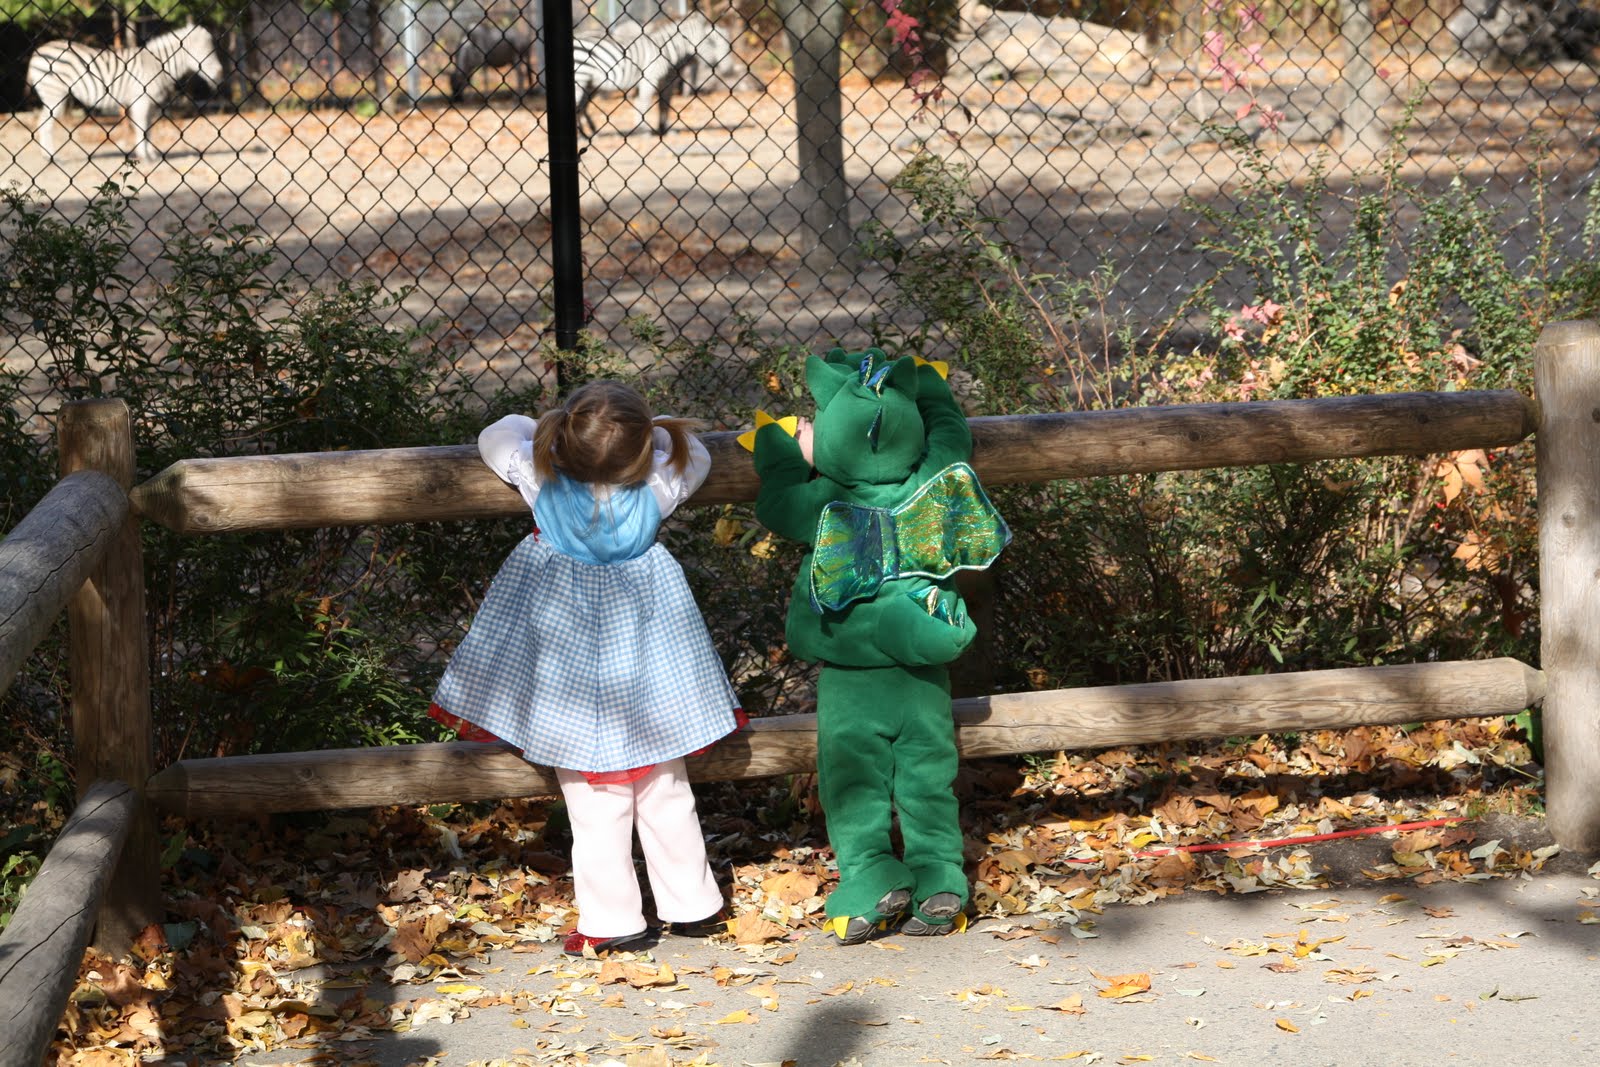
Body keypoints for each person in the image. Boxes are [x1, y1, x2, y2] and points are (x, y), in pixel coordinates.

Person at [428, 380, 744, 955]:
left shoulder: (539, 475)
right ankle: (694, 906)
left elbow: (495, 436)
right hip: (652, 681)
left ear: (562, 438)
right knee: (666, 788)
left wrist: (535, 427)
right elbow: (695, 453)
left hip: (569, 682)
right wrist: (658, 433)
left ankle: (615, 920)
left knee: (595, 805)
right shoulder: (660, 484)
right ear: (642, 449)